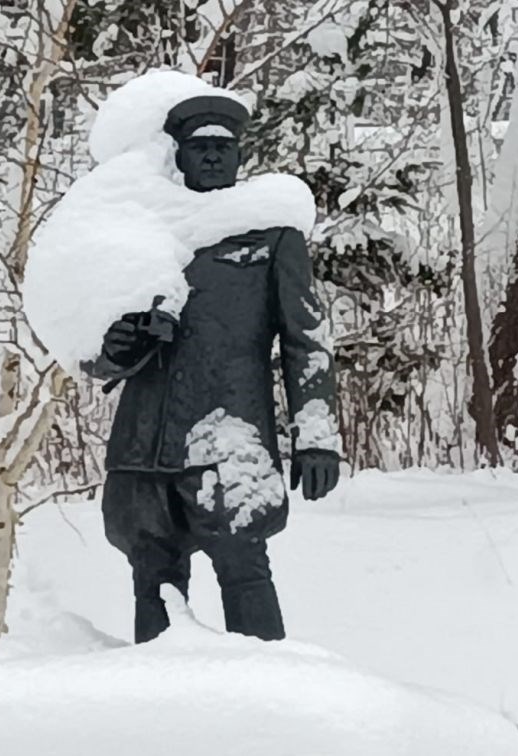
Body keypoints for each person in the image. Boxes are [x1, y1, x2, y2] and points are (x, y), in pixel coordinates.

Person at [82, 93, 342, 643]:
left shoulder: (271, 236)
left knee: (244, 573)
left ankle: (268, 702)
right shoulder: (144, 234)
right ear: (178, 155)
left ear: (239, 155)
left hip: (231, 437)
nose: (212, 159)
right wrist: (119, 344)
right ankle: (158, 706)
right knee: (153, 579)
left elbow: (307, 342)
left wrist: (315, 437)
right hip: (145, 443)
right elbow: (89, 347)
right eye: (199, 149)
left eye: (223, 149)